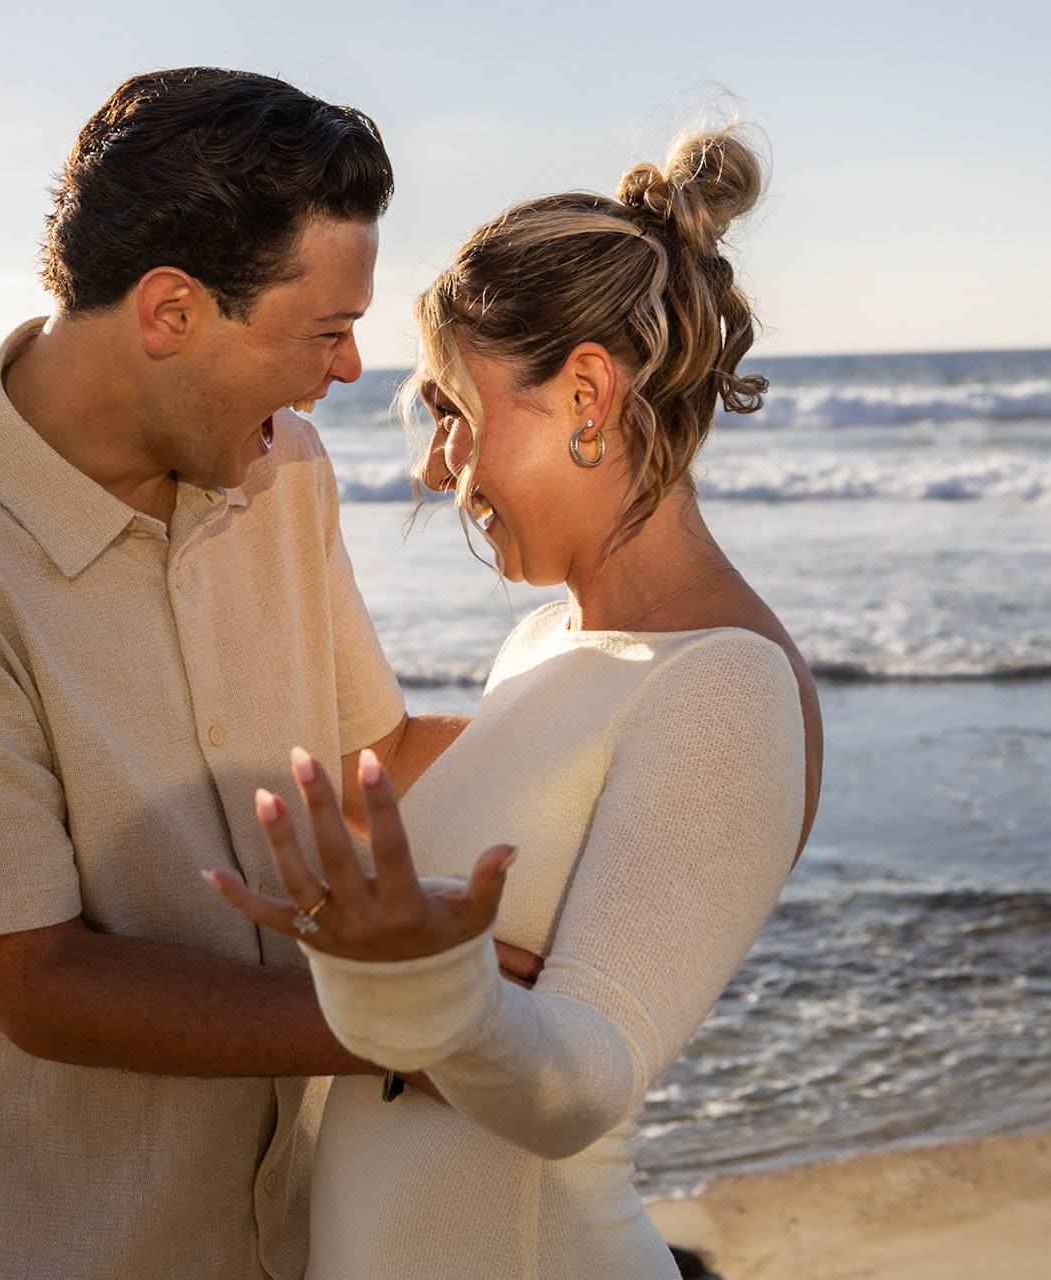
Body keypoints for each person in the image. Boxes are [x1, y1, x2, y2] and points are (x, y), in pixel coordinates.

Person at [0, 68, 469, 1280]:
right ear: (170, 311)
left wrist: (633, 729)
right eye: (326, 329)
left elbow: (373, 759)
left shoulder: (285, 468)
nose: (351, 367)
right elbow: (41, 980)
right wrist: (412, 1019)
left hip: (305, 1238)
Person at [209, 127, 825, 1278]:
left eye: (456, 410)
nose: (436, 466)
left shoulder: (726, 682)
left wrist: (415, 982)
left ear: (587, 393)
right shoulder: (547, 643)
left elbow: (577, 1083)